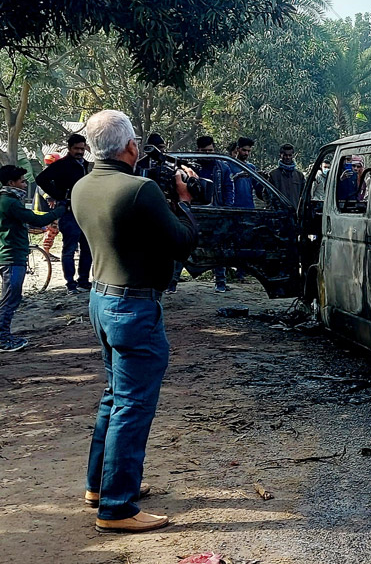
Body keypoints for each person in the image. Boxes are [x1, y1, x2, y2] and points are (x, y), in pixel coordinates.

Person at [73, 109, 198, 533]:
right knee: (132, 405)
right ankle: (117, 508)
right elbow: (182, 243)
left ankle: (100, 487)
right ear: (131, 146)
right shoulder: (140, 189)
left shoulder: (81, 186)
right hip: (133, 307)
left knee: (114, 397)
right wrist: (182, 200)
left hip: (101, 299)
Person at [0, 165, 66, 351]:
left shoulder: (6, 200)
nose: (24, 184)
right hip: (12, 256)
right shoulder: (10, 202)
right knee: (10, 299)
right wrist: (60, 210)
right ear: (11, 183)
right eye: (21, 181)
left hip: (6, 254)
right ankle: (3, 339)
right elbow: (36, 220)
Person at [167, 136, 231, 293]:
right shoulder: (190, 167)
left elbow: (229, 189)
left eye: (210, 151)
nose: (208, 154)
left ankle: (220, 283)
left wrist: (227, 209)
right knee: (184, 246)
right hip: (193, 212)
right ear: (198, 150)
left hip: (216, 213)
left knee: (218, 249)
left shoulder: (222, 167)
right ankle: (172, 283)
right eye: (204, 151)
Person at [34, 133, 93, 294]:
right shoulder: (61, 165)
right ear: (69, 148)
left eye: (82, 148)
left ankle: (84, 280)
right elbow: (41, 179)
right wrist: (59, 196)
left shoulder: (86, 165)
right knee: (69, 248)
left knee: (87, 248)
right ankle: (70, 283)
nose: (80, 152)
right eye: (76, 149)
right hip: (68, 211)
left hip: (85, 212)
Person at [267, 143, 304, 207]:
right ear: (280, 155)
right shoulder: (273, 175)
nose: (288, 157)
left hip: (294, 212)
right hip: (279, 213)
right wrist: (273, 206)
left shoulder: (299, 175)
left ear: (293, 156)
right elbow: (266, 193)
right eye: (285, 155)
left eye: (290, 155)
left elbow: (304, 195)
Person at [232, 137, 257, 209]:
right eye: (244, 150)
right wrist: (237, 177)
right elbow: (224, 185)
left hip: (248, 206)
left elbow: (257, 187)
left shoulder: (251, 167)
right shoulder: (227, 165)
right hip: (232, 207)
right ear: (237, 149)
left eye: (248, 151)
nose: (246, 153)